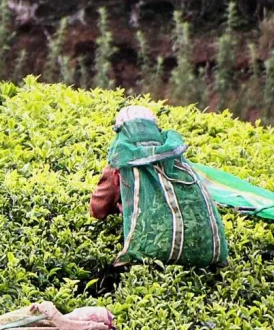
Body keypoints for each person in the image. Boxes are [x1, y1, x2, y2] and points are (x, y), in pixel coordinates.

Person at [91, 105, 228, 267]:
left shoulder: (121, 165)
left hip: (154, 253)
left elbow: (97, 210)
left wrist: (122, 205)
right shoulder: (175, 159)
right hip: (200, 244)